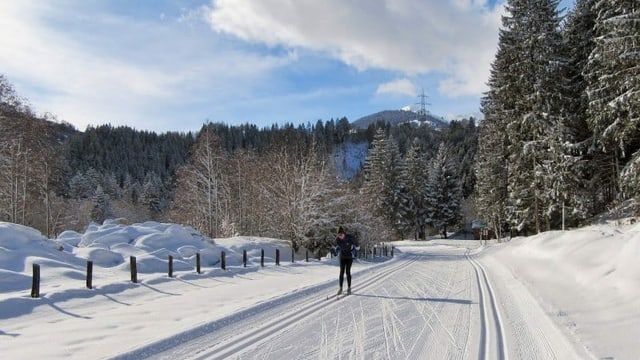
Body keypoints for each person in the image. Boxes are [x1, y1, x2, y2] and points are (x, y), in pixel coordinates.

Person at [333, 226, 359, 295]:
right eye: (338, 235)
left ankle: (349, 288)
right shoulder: (337, 239)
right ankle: (340, 288)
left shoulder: (350, 237)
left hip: (349, 257)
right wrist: (335, 251)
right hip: (342, 257)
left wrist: (355, 253)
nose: (340, 236)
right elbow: (334, 246)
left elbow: (357, 245)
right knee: (341, 272)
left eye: (341, 235)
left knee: (348, 272)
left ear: (343, 233)